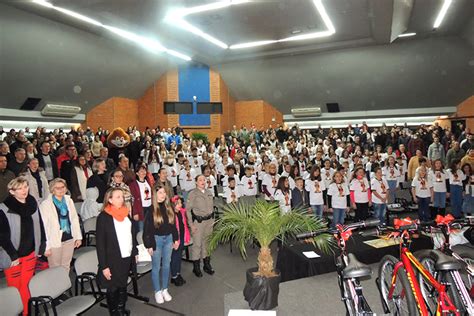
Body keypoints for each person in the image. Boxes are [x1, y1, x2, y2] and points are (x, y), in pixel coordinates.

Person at [0, 177, 47, 316]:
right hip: (13, 255)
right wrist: (13, 255)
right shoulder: (4, 208)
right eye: (19, 188)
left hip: (30, 252)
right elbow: (2, 236)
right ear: (12, 192)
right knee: (14, 288)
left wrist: (42, 246)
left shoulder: (33, 204)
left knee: (25, 285)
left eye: (25, 187)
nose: (24, 191)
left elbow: (41, 226)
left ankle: (26, 313)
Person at [96, 187, 137, 315]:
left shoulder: (125, 213)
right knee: (113, 287)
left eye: (122, 196)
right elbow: (100, 244)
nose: (121, 199)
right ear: (110, 199)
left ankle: (120, 308)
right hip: (112, 258)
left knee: (122, 284)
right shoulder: (103, 217)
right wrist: (104, 266)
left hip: (126, 255)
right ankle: (114, 312)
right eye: (118, 197)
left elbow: (132, 234)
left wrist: (134, 252)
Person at [143, 183, 179, 304]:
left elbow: (173, 225)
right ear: (155, 194)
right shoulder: (151, 209)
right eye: (160, 193)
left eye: (164, 192)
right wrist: (149, 245)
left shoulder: (169, 207)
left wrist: (176, 239)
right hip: (156, 240)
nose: (163, 195)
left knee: (166, 265)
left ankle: (164, 289)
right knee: (156, 266)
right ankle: (157, 291)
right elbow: (147, 230)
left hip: (168, 239)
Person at [39, 178, 82, 272]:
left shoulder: (68, 200)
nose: (61, 189)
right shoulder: (45, 205)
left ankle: (65, 286)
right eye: (57, 188)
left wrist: (78, 237)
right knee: (55, 269)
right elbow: (44, 227)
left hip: (69, 238)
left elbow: (74, 219)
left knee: (66, 266)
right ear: (52, 190)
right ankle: (56, 286)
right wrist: (46, 247)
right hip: (54, 241)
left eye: (63, 187)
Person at [186, 174, 215, 277]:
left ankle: (206, 265)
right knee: (197, 244)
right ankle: (196, 267)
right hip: (198, 223)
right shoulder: (192, 194)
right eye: (200, 180)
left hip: (209, 222)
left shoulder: (209, 192)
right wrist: (191, 225)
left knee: (207, 243)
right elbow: (188, 211)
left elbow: (211, 208)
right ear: (196, 182)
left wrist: (213, 221)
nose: (203, 182)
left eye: (204, 180)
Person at [170, 195, 190, 287]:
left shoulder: (181, 212)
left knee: (178, 257)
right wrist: (174, 241)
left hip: (181, 236)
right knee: (174, 257)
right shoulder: (171, 214)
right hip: (175, 239)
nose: (180, 205)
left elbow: (184, 225)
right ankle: (174, 276)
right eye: (177, 204)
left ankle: (178, 273)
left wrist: (186, 236)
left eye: (181, 203)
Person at [129, 164, 153, 232]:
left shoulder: (148, 181)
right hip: (140, 209)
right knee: (141, 229)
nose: (143, 172)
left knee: (150, 228)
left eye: (144, 170)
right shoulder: (133, 184)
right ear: (137, 173)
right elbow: (133, 200)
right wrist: (135, 212)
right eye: (141, 171)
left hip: (149, 208)